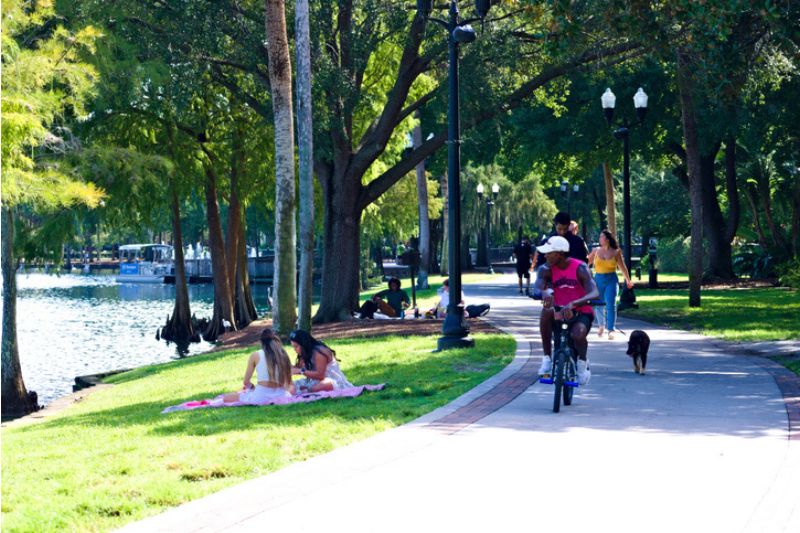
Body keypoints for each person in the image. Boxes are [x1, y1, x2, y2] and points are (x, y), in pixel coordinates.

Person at [533, 236, 600, 385]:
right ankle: (547, 359)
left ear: (560, 253)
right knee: (546, 310)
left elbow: (595, 292)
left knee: (577, 334)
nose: (545, 256)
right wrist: (545, 293)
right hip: (559, 310)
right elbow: (536, 288)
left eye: (549, 253)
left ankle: (582, 364)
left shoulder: (580, 268)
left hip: (581, 311)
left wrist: (574, 303)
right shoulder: (546, 269)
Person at [223, 329, 294, 403]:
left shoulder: (256, 355)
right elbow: (289, 383)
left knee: (226, 397)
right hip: (282, 395)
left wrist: (253, 388)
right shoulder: (283, 354)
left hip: (260, 396)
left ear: (261, 342)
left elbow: (246, 382)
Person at [588, 229, 633, 340]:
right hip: (598, 279)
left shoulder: (616, 252)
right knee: (599, 304)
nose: (599, 239)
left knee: (611, 304)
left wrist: (628, 280)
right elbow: (586, 263)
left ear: (607, 239)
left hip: (611, 280)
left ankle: (611, 329)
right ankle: (601, 326)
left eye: (601, 237)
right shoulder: (595, 250)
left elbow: (622, 267)